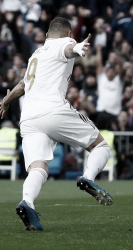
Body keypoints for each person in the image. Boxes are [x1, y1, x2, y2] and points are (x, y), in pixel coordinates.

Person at [0, 17, 113, 231]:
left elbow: (23, 85)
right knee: (100, 146)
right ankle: (88, 178)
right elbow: (69, 49)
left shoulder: (36, 54)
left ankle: (27, 203)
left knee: (38, 166)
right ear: (68, 33)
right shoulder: (63, 43)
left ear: (46, 36)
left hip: (28, 119)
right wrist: (79, 47)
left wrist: (5, 101)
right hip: (52, 110)